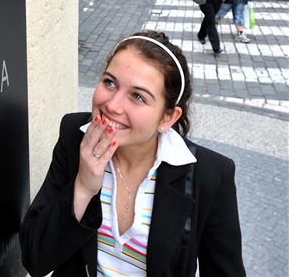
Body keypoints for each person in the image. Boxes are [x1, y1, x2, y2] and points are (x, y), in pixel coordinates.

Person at [19, 31, 246, 276]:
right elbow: (35, 258)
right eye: (109, 82)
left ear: (168, 117)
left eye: (138, 96)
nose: (113, 105)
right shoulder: (75, 136)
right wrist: (83, 187)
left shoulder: (209, 175)